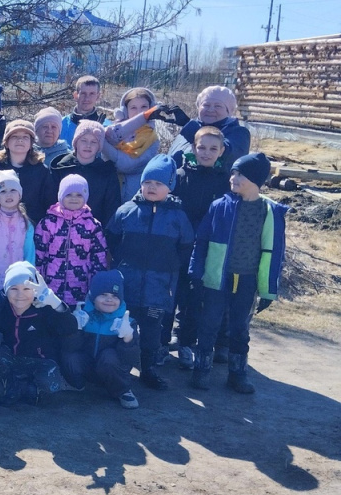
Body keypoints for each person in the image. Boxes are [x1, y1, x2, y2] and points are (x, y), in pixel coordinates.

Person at [189, 153, 286, 394]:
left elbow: (275, 252)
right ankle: (201, 369)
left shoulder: (269, 212)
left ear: (255, 179)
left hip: (247, 280)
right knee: (209, 323)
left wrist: (268, 289)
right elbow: (201, 242)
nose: (233, 177)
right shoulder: (220, 206)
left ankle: (237, 373)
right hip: (216, 278)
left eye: (240, 173)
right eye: (233, 172)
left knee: (240, 326)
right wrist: (196, 271)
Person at [106, 154, 194, 390]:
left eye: (158, 184)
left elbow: (186, 247)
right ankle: (119, 368)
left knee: (152, 331)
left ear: (169, 187)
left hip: (159, 287)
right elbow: (111, 238)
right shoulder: (126, 211)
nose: (152, 188)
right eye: (148, 183)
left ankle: (149, 369)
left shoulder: (178, 217)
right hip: (127, 283)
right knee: (123, 327)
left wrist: (172, 268)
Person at [172, 127, 230, 369]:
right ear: (194, 148)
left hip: (207, 249)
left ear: (221, 151)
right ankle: (167, 342)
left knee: (196, 299)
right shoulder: (180, 175)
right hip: (179, 246)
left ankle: (188, 343)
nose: (206, 153)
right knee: (175, 294)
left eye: (213, 149)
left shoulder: (225, 180)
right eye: (202, 147)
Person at [0, 261, 80, 404]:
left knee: (50, 386)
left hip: (41, 361)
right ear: (6, 290)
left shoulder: (45, 308)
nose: (20, 295)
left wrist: (56, 303)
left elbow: (70, 328)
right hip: (13, 359)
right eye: (14, 289)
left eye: (27, 289)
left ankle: (27, 387)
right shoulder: (3, 308)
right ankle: (13, 383)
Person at [64, 269, 140, 409]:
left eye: (115, 296)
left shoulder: (126, 321)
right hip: (89, 366)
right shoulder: (83, 316)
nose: (109, 299)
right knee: (71, 358)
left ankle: (121, 390)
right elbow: (70, 348)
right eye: (103, 295)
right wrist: (75, 329)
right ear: (93, 296)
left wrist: (128, 338)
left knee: (108, 357)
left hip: (112, 369)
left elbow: (132, 359)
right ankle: (77, 384)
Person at [34, 174, 109, 307]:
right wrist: (36, 282)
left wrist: (97, 287)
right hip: (51, 288)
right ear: (61, 196)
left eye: (79, 195)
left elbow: (99, 258)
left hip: (80, 289)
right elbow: (38, 254)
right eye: (69, 194)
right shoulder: (48, 222)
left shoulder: (92, 225)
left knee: (75, 323)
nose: (74, 198)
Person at [0, 119, 56, 223]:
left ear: (31, 143)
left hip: (31, 233)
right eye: (15, 136)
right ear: (6, 143)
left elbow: (50, 206)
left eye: (25, 137)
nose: (20, 140)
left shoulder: (42, 171)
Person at [50, 121, 122, 226]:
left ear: (99, 146)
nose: (88, 145)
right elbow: (49, 200)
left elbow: (111, 206)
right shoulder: (61, 168)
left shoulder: (106, 172)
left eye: (94, 142)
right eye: (84, 140)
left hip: (93, 232)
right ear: (76, 143)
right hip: (59, 229)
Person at [102, 87, 163, 203]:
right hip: (111, 191)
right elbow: (109, 137)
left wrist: (102, 144)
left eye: (144, 107)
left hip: (135, 197)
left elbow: (126, 165)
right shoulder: (116, 130)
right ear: (125, 111)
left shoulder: (152, 138)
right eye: (133, 108)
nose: (139, 112)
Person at [177, 86, 250, 169]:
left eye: (218, 106)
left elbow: (227, 153)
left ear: (228, 110)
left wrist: (186, 124)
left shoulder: (239, 133)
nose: (211, 110)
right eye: (206, 105)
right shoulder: (189, 128)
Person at [59, 75, 109, 144]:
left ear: (98, 96)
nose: (87, 98)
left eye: (92, 94)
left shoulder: (107, 127)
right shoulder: (60, 125)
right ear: (76, 95)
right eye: (83, 93)